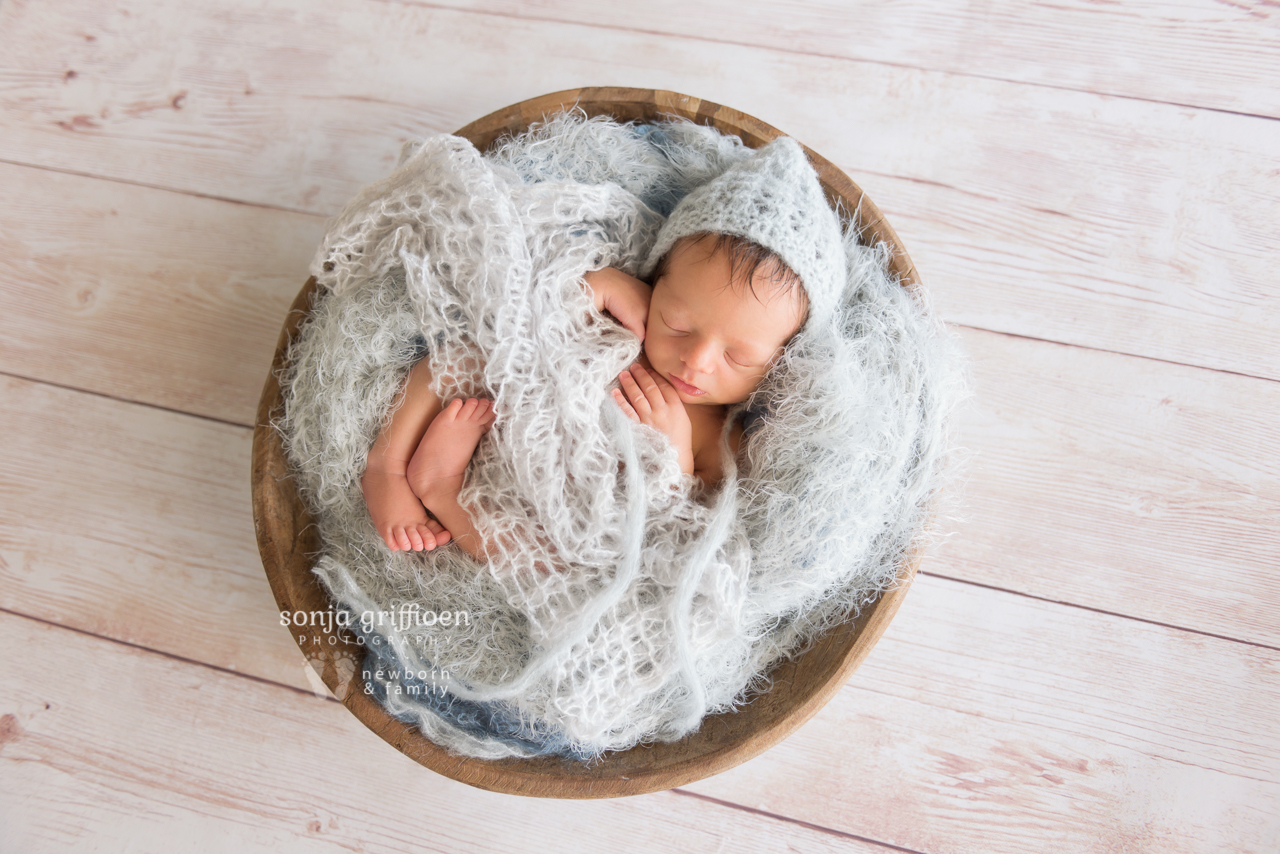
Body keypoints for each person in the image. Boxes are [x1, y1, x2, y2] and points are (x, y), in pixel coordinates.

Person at [359, 135, 846, 560]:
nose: (696, 360)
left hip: (558, 505)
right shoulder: (627, 321)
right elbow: (525, 316)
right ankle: (386, 464)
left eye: (738, 358)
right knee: (470, 347)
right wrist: (600, 286)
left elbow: (689, 526)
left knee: (558, 559)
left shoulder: (720, 437)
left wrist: (675, 457)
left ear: (781, 361)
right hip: (509, 406)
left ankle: (442, 489)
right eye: (676, 324)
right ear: (656, 279)